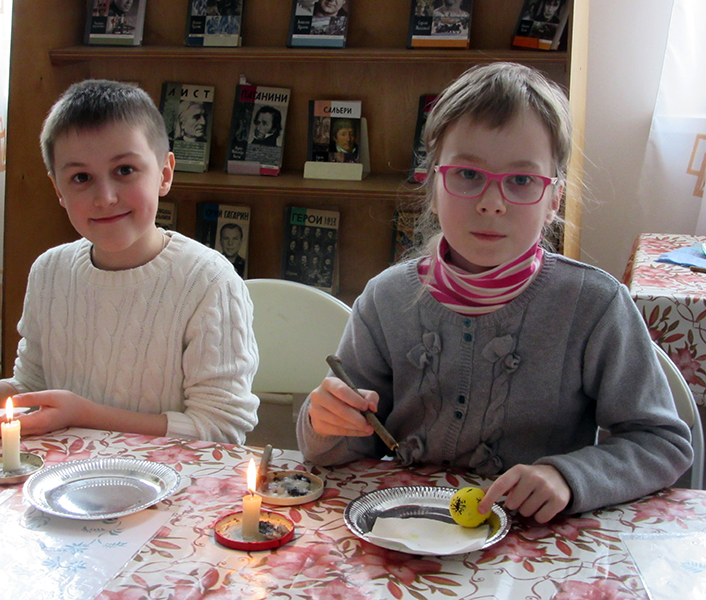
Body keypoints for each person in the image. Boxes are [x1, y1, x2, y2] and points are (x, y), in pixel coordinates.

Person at [296, 62, 693, 523]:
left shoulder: (594, 305)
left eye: (522, 181)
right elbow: (342, 448)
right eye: (467, 174)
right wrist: (325, 421)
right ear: (434, 186)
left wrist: (569, 476)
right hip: (409, 531)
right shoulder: (385, 300)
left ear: (554, 200)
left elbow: (662, 442)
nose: (491, 203)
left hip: (536, 542)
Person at [0, 80, 260, 444]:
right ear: (58, 190)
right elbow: (32, 389)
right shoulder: (49, 272)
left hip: (166, 477)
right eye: (81, 177)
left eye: (125, 170)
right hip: (63, 472)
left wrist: (82, 414)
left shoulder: (208, 281)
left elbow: (220, 428)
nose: (104, 197)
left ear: (164, 174)